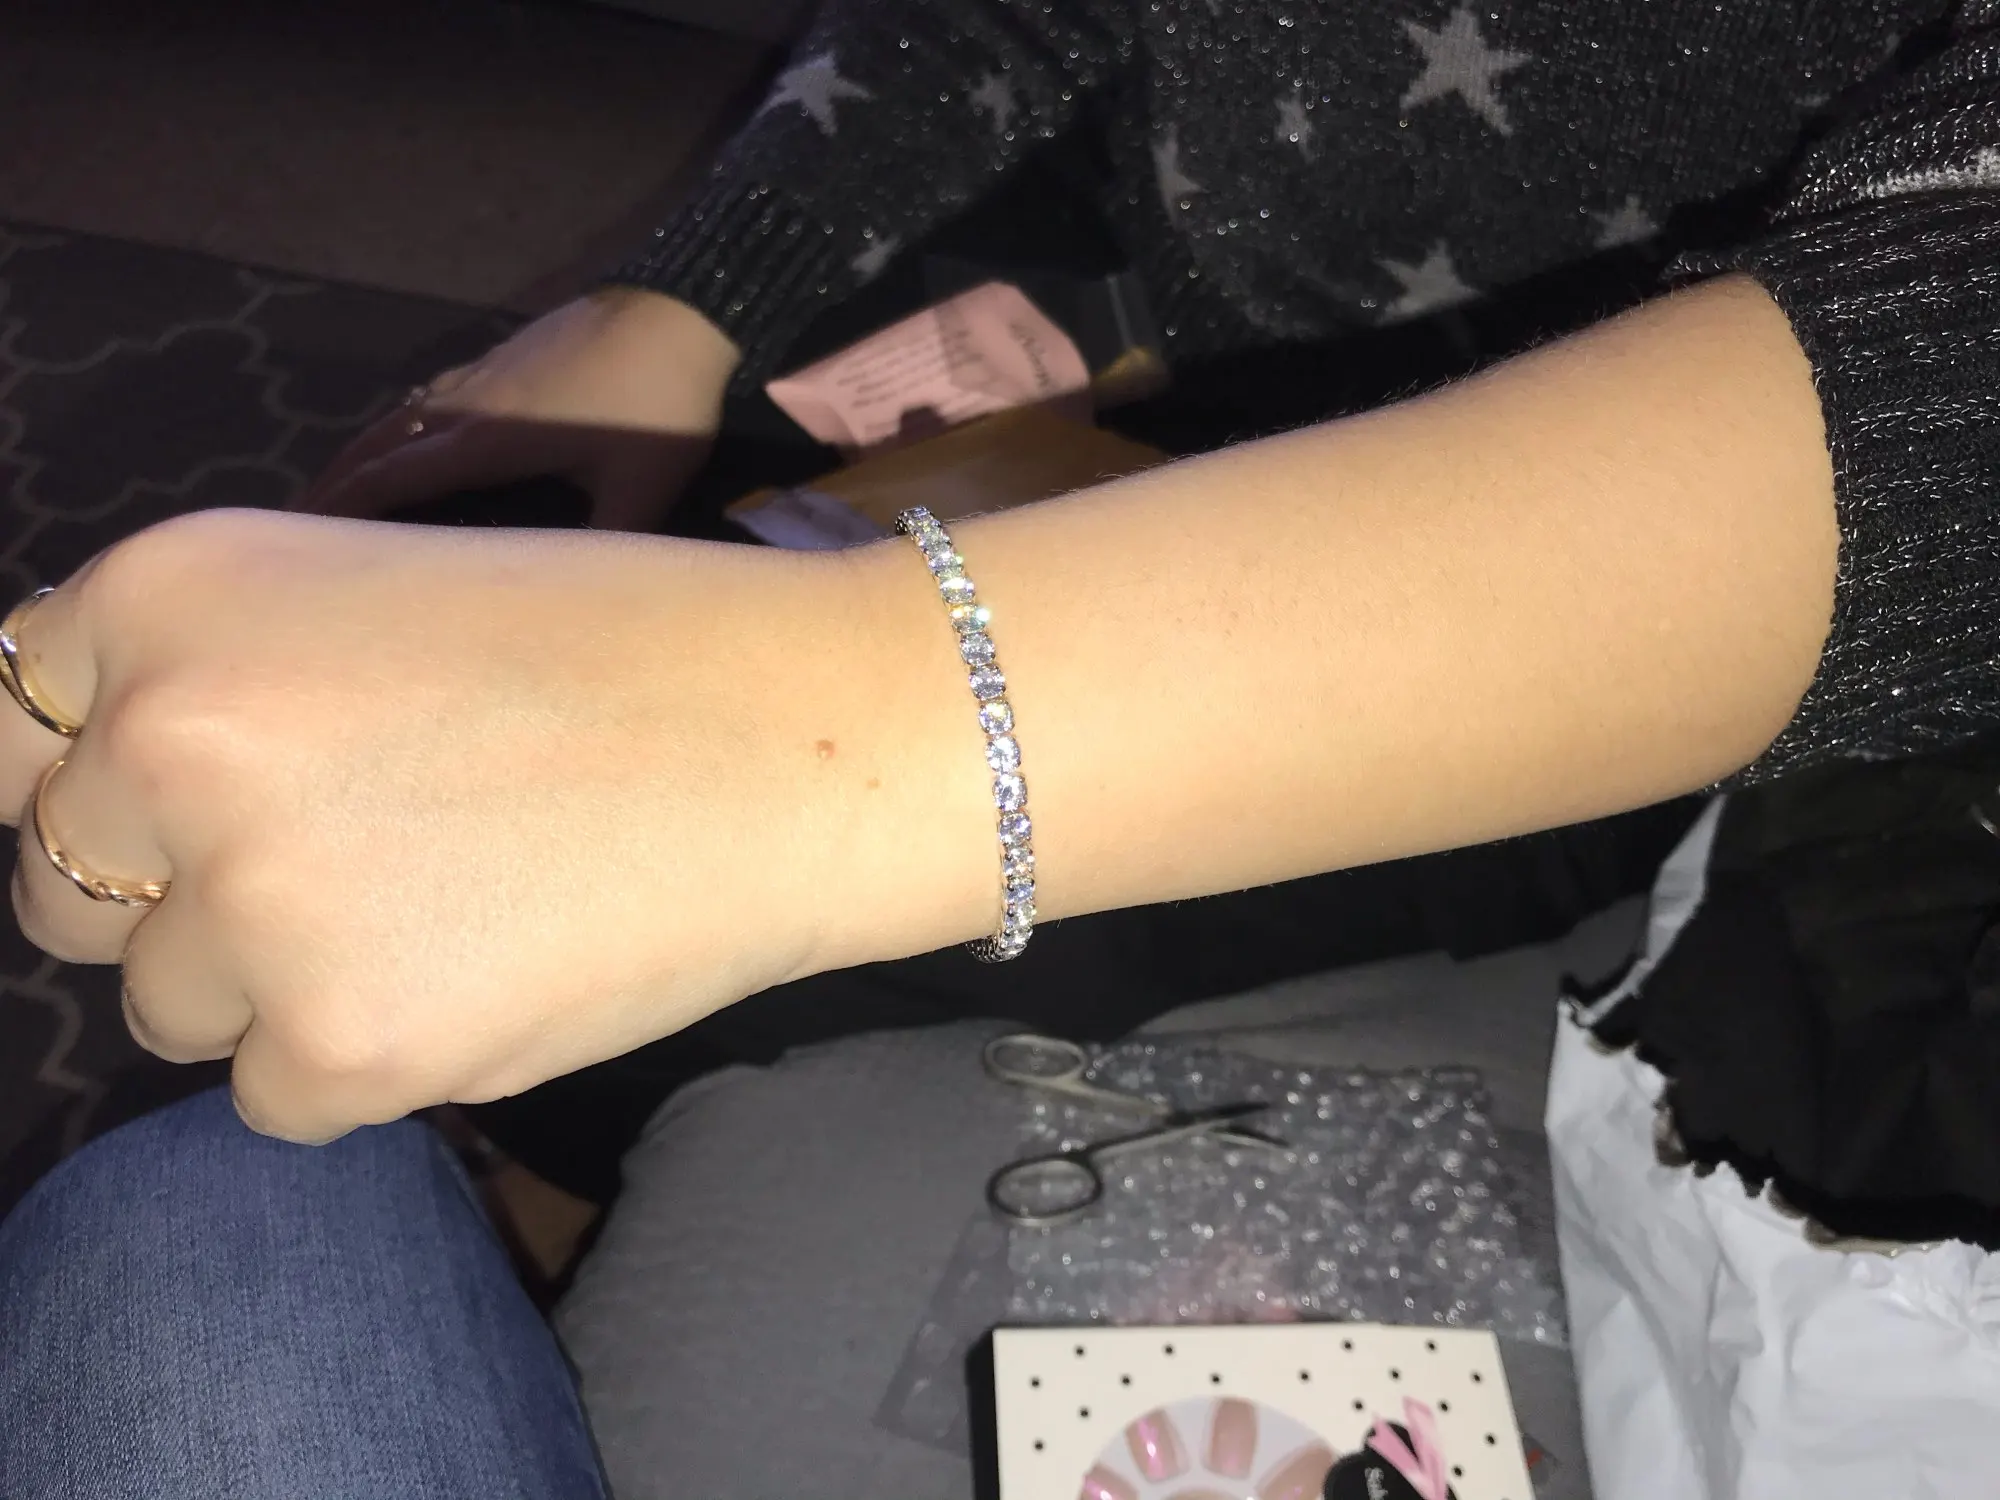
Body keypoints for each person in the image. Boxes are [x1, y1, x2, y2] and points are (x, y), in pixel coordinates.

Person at [0, 1, 1994, 1495]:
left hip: (1587, 500)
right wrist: (682, 307)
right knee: (480, 552)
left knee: (584, 982)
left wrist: (832, 739)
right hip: (1104, 263)